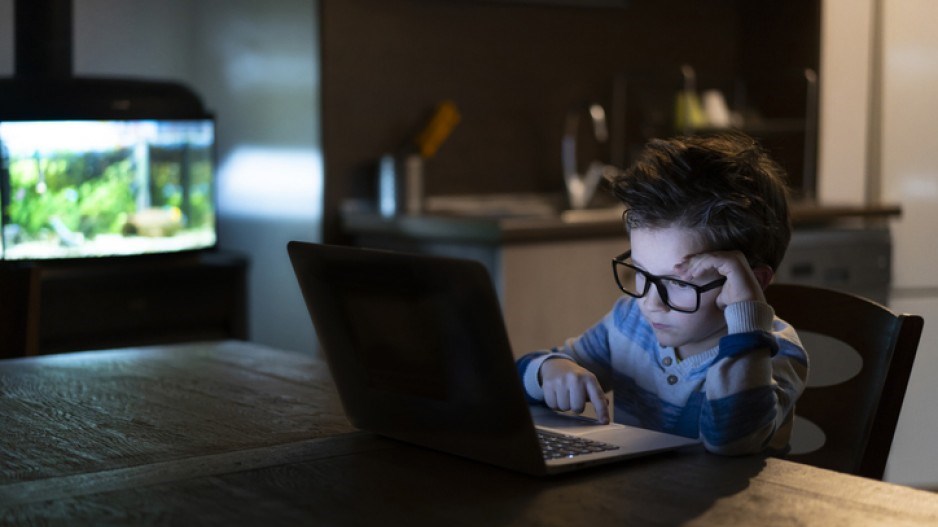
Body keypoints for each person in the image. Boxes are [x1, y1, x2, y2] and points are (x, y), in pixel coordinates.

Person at [516, 132, 808, 455]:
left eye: (680, 283)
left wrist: (746, 320)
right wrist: (551, 371)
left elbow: (731, 440)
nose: (650, 303)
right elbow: (520, 376)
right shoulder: (628, 325)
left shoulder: (773, 352)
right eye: (642, 273)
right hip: (640, 501)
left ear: (751, 284)